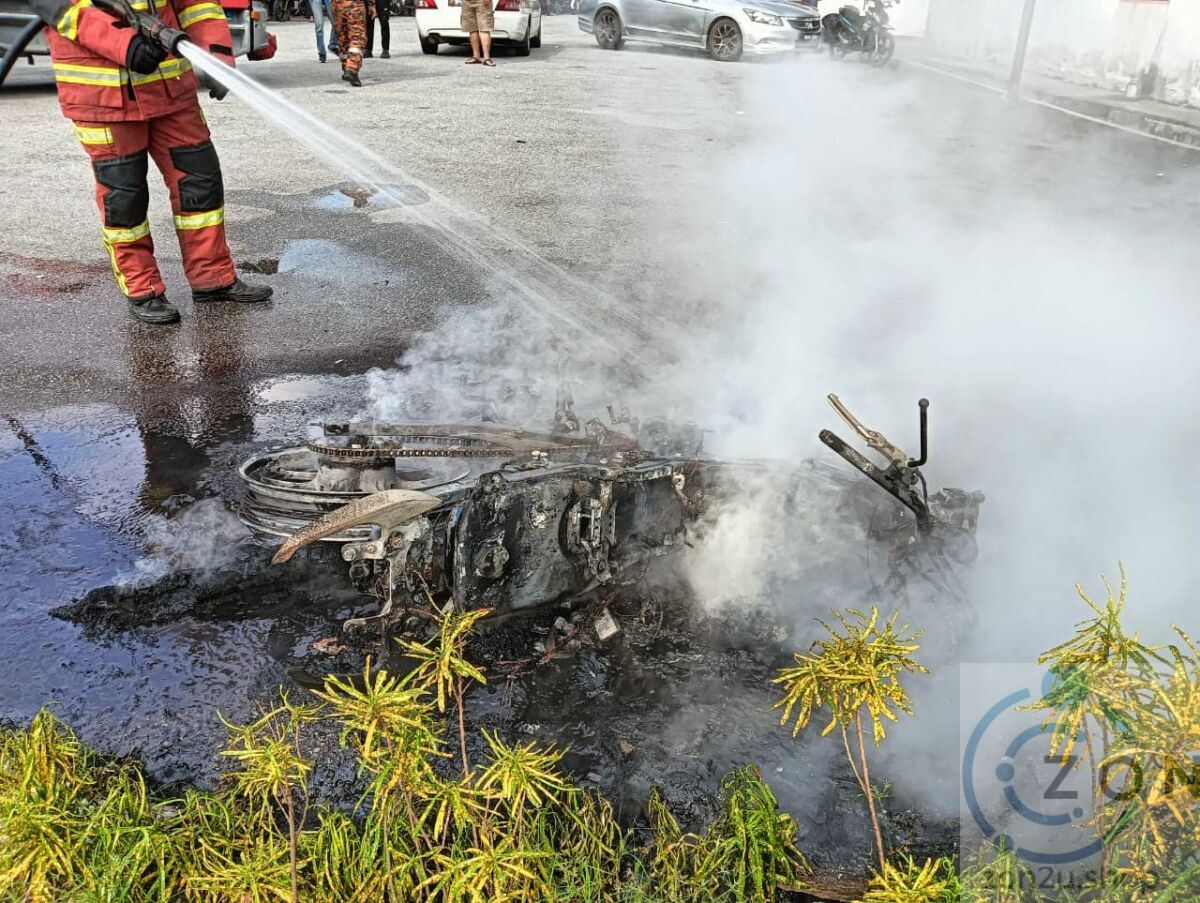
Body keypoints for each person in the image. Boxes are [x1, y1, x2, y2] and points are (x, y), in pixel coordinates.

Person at [30, 0, 273, 324]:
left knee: (201, 183)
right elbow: (64, 10)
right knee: (124, 199)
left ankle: (213, 278)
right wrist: (125, 45)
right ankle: (143, 288)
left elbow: (198, 4)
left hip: (170, 89)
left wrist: (216, 54)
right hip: (103, 98)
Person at [332, 0, 373, 86]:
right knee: (357, 36)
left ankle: (346, 66)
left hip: (337, 5)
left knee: (343, 36)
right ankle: (351, 68)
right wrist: (371, 4)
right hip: (354, 4)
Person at [461, 0, 494, 66]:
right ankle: (476, 57)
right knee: (472, 28)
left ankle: (486, 58)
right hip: (466, 2)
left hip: (482, 1)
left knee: (484, 28)